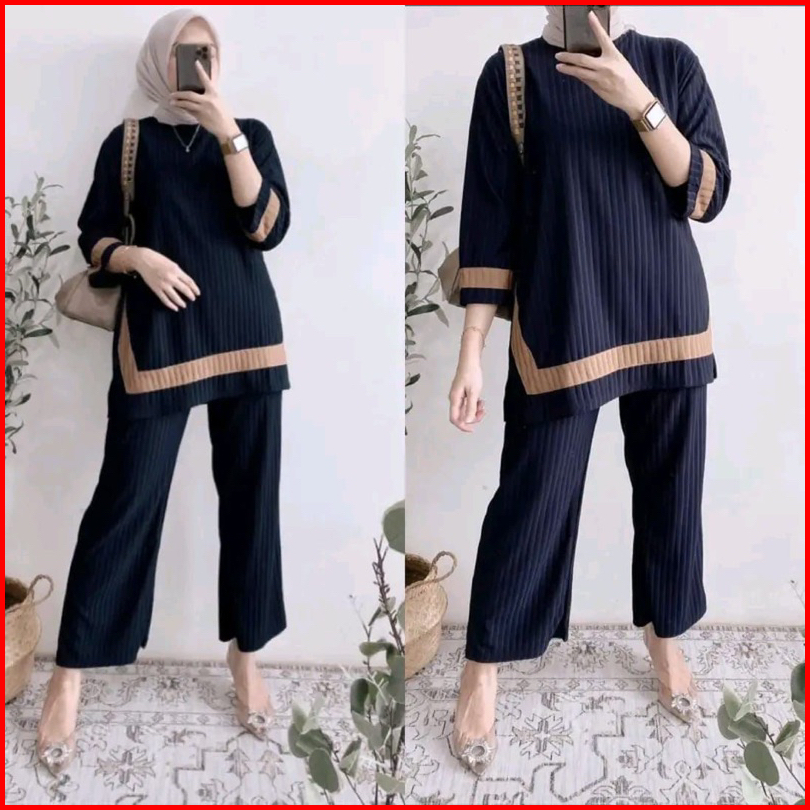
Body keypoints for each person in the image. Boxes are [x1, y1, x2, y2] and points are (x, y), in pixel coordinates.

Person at [448, 6, 730, 774]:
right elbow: (489, 226)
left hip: (668, 312)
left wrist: (636, 98)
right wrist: (471, 353)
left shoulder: (671, 63)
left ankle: (665, 639)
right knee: (532, 497)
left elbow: (706, 193)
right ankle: (482, 669)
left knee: (673, 492)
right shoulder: (511, 75)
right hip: (563, 318)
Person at [36, 8, 291, 776]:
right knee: (123, 504)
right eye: (184, 54)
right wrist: (138, 258)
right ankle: (69, 677)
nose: (197, 68)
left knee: (252, 504)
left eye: (207, 54)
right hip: (158, 345)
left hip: (248, 336)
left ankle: (246, 657)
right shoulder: (129, 142)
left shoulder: (249, 132)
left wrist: (226, 131)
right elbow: (95, 237)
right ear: (158, 61)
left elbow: (267, 226)